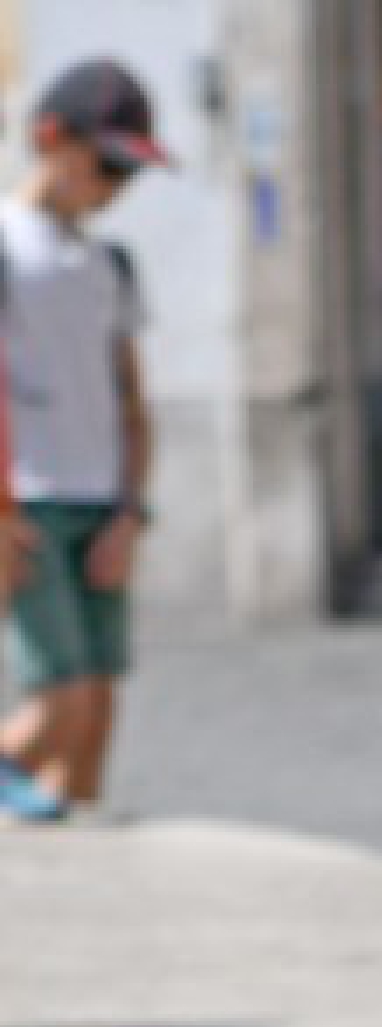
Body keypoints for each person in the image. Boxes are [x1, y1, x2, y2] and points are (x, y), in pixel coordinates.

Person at [0, 59, 168, 820]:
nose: (113, 188)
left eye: (128, 174)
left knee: (97, 710)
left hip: (100, 500)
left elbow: (132, 401)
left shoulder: (109, 264)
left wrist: (131, 511)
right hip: (27, 502)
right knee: (61, 702)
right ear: (50, 141)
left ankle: (78, 881)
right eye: (106, 166)